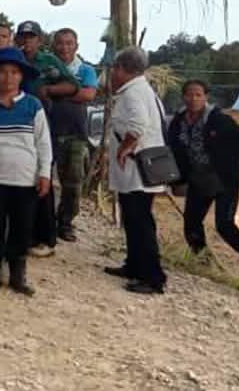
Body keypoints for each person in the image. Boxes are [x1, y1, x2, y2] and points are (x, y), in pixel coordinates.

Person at [0, 48, 52, 296]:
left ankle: (18, 275)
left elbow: (43, 143)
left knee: (22, 228)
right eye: (3, 72)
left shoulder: (33, 106)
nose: (8, 77)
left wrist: (45, 173)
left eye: (14, 72)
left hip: (25, 180)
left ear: (21, 77)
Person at [168, 79, 239, 275]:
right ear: (183, 97)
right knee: (191, 223)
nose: (193, 99)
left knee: (224, 225)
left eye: (198, 95)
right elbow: (173, 149)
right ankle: (203, 264)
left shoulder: (218, 119)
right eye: (189, 95)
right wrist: (177, 179)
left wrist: (228, 160)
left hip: (225, 179)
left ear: (205, 97)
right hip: (199, 179)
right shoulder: (178, 122)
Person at [105, 47, 167, 295]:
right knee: (133, 220)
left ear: (121, 69)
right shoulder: (142, 89)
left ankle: (152, 277)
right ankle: (134, 265)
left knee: (140, 222)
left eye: (115, 69)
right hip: (139, 170)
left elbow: (138, 124)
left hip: (137, 169)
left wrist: (124, 147)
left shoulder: (133, 94)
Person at [16, 20, 79, 257]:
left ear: (40, 40)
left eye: (31, 37)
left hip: (43, 127)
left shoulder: (49, 61)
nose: (27, 41)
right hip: (15, 128)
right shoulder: (14, 59)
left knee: (42, 180)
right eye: (23, 37)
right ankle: (24, 235)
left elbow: (73, 86)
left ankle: (45, 237)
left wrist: (49, 91)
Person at [50, 28, 99, 242]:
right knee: (41, 179)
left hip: (76, 135)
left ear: (76, 46)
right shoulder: (47, 68)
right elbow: (39, 91)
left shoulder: (86, 70)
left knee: (73, 183)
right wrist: (72, 92)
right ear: (54, 46)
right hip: (48, 133)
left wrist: (54, 92)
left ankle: (66, 222)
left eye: (69, 43)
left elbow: (88, 94)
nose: (64, 47)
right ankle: (44, 222)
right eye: (60, 43)